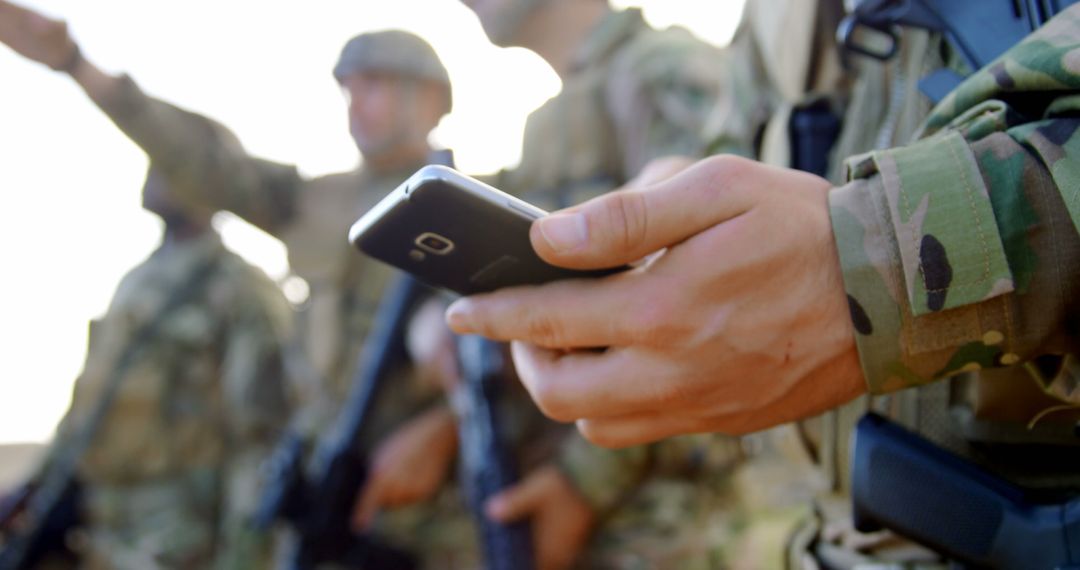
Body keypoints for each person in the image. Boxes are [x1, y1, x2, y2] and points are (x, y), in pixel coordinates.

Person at [446, 1, 1080, 567]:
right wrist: (680, 210)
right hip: (822, 536)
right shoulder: (777, 18)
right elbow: (727, 167)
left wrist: (870, 267)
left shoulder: (658, 66)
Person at [0, 4, 475, 566]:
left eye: (374, 85)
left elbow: (519, 344)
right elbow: (201, 161)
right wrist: (78, 65)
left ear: (429, 98)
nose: (355, 106)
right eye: (348, 89)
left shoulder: (474, 204)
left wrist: (445, 427)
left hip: (430, 505)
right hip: (323, 494)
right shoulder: (315, 205)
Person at [447, 1, 748, 567]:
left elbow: (717, 300)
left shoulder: (664, 68)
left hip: (672, 503)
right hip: (571, 472)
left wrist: (583, 483)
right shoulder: (547, 124)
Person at [24, 167, 295, 569]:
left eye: (171, 159)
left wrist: (243, 556)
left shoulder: (241, 289)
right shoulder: (136, 281)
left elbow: (259, 438)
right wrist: (36, 485)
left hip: (179, 534)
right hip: (101, 525)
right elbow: (90, 404)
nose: (158, 172)